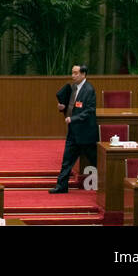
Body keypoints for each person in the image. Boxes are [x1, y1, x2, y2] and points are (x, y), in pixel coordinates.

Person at [49, 63, 98, 193]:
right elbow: (72, 106)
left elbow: (89, 111)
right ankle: (61, 186)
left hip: (86, 133)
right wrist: (63, 108)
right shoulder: (73, 88)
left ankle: (108, 185)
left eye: (76, 73)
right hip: (73, 131)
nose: (73, 76)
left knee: (96, 160)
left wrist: (73, 119)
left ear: (83, 74)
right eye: (72, 73)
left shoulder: (89, 90)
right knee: (67, 160)